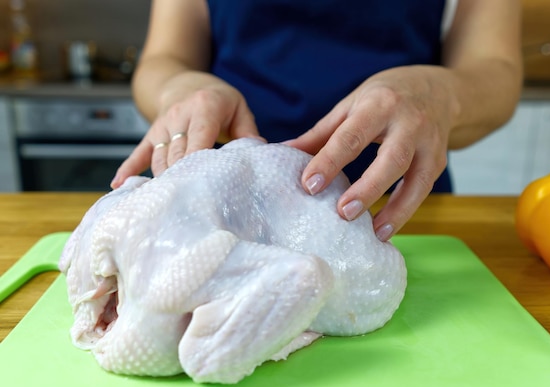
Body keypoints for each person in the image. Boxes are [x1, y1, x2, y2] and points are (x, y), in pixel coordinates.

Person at [111, 0, 522, 241]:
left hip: (394, 206)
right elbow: (163, 59)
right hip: (222, 202)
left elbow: (496, 69)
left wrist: (441, 94)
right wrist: (182, 88)